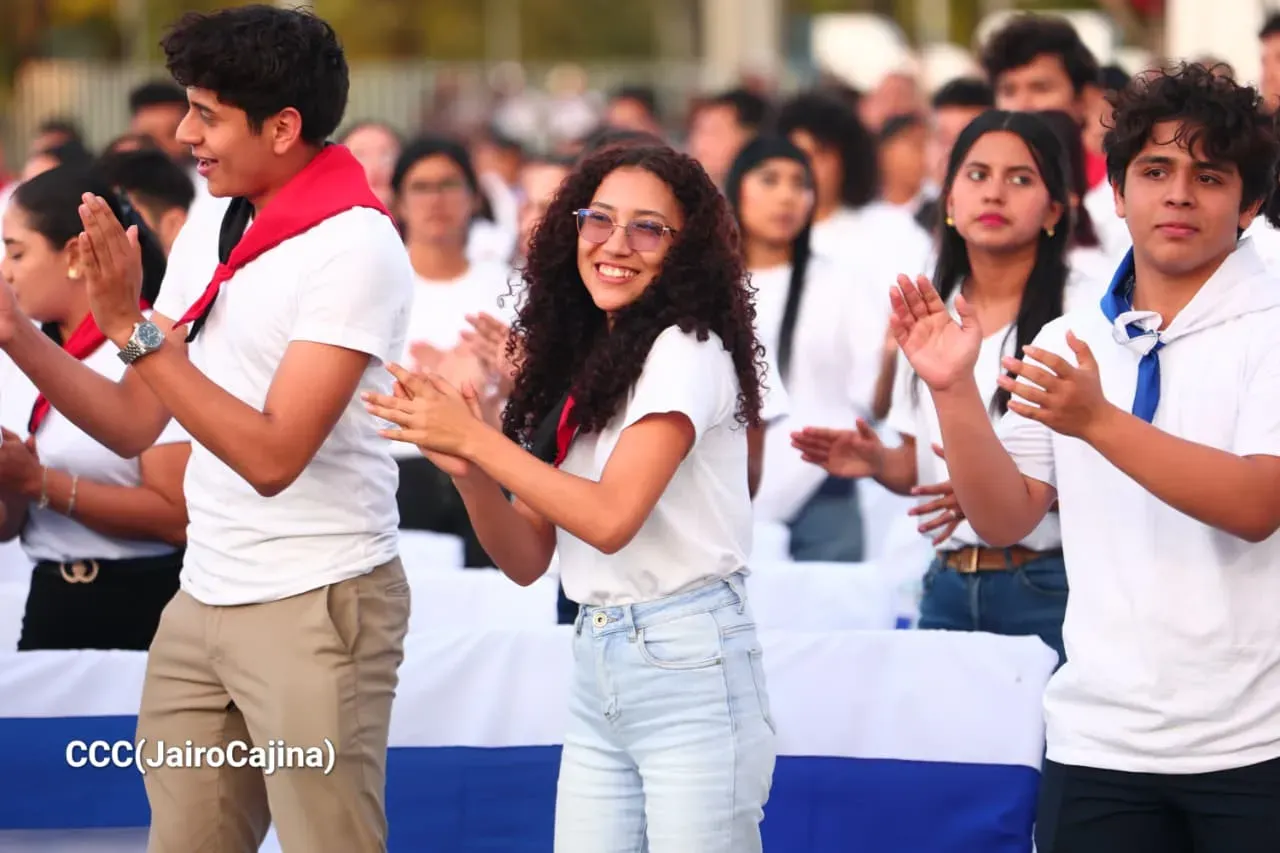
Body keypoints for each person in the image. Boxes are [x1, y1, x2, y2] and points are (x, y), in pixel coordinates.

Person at [0, 6, 412, 852]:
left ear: (286, 127)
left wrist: (131, 330)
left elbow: (271, 456)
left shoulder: (356, 246)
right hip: (202, 598)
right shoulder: (217, 219)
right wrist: (14, 332)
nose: (186, 133)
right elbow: (132, 422)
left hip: (315, 601)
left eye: (208, 114)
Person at [893, 64, 1280, 851]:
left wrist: (1098, 420)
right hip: (1096, 740)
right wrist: (955, 390)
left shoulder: (1271, 325)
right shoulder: (1067, 337)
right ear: (1118, 192)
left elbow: (1255, 505)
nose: (1178, 194)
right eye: (1155, 170)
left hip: (1254, 743)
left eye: (1209, 176)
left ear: (1249, 205)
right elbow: (1006, 515)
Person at [364, 143, 776, 851]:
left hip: (688, 658)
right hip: (598, 656)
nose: (616, 244)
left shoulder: (687, 347)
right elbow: (527, 556)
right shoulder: (585, 356)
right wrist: (466, 464)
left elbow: (611, 518)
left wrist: (479, 439)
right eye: (599, 220)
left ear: (689, 250)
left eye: (649, 227)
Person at [793, 110, 1094, 665]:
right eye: (977, 175)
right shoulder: (933, 309)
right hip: (947, 584)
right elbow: (921, 467)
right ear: (949, 201)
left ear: (1056, 209)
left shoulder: (1085, 313)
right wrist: (878, 462)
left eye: (1020, 179)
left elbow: (1110, 467)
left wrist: (998, 496)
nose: (995, 194)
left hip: (1051, 584)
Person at [0, 164, 189, 651]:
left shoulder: (146, 332)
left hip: (147, 603)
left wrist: (39, 483)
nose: (5, 272)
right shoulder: (19, 350)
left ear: (74, 255)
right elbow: (13, 522)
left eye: (16, 252)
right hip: (52, 603)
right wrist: (13, 483)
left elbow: (176, 514)